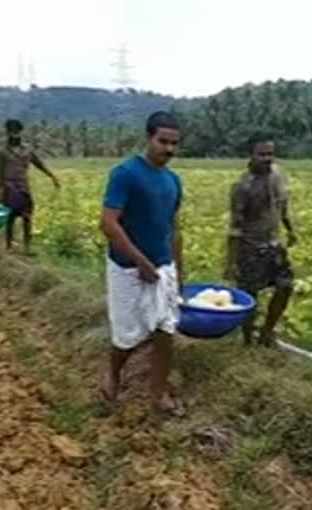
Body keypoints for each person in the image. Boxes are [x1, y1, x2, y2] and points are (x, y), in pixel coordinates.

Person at [99, 111, 184, 416]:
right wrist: (140, 261)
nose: (169, 149)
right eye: (163, 141)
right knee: (126, 336)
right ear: (148, 137)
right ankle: (113, 373)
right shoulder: (125, 173)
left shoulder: (173, 181)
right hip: (127, 269)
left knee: (165, 330)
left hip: (162, 268)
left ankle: (158, 394)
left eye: (174, 143)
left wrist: (178, 272)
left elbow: (173, 228)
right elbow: (108, 224)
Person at [224, 133, 297, 347]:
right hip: (250, 247)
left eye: (271, 154)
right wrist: (231, 262)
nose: (267, 158)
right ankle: (247, 341)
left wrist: (290, 230)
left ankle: (266, 332)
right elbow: (235, 227)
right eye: (262, 154)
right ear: (251, 155)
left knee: (286, 286)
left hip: (274, 244)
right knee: (250, 298)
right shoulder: (243, 187)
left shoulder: (277, 175)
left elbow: (282, 206)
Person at [0, 119, 60, 255]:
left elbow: (39, 164)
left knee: (27, 216)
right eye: (11, 132)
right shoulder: (1, 152)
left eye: (17, 132)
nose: (14, 135)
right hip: (9, 187)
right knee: (10, 218)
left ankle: (27, 247)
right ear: (7, 133)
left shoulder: (28, 149)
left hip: (23, 187)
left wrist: (52, 176)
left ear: (21, 132)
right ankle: (8, 246)